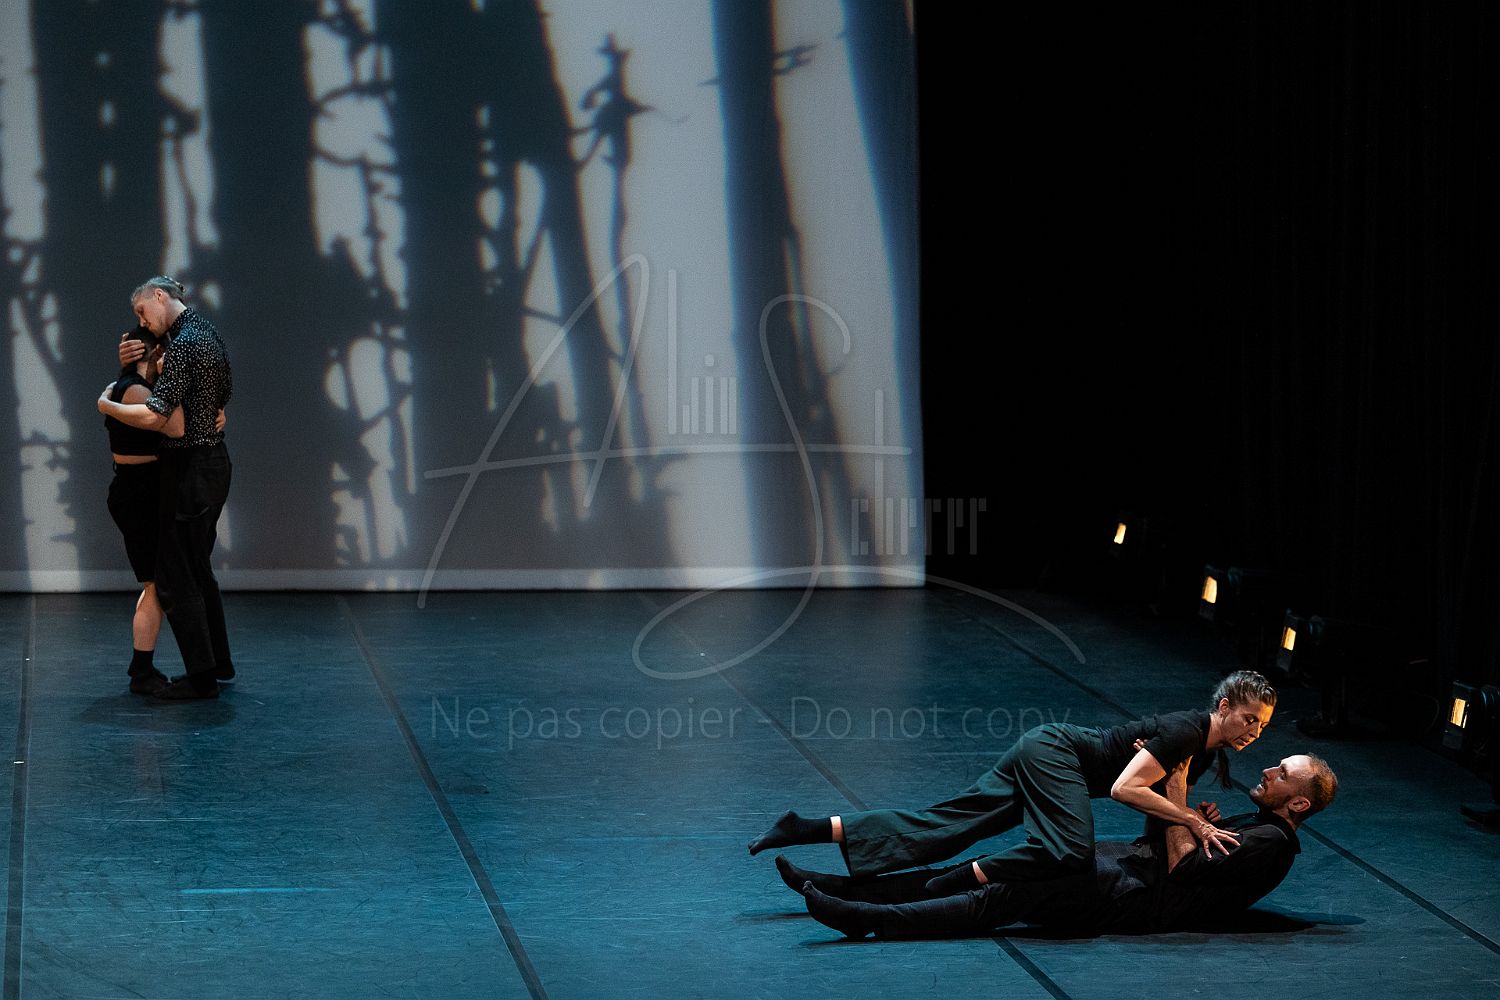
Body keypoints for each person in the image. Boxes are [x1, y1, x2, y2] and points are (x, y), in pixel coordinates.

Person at [748, 671, 1277, 895]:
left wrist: (1184, 815)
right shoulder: (1187, 732)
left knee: (947, 825)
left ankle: (808, 832)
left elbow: (1150, 813)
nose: (1253, 732)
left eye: (1262, 727)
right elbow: (1122, 790)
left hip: (1051, 758)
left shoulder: (1199, 753)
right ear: (1223, 706)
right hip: (1058, 756)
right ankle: (958, 881)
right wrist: (1189, 818)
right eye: (1248, 719)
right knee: (1071, 851)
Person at [789, 752, 1338, 939]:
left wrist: (1177, 791)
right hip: (1120, 868)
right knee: (987, 867)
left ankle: (868, 919)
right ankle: (853, 889)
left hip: (1126, 896)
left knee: (1000, 897)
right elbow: (1174, 847)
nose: (1269, 770)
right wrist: (1185, 819)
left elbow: (1183, 871)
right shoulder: (1257, 823)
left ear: (1299, 803)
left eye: (1283, 773)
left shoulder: (1272, 843)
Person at [98, 276, 234, 701]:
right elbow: (223, 392)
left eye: (142, 311)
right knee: (197, 571)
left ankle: (202, 678)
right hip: (212, 464)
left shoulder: (183, 344)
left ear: (159, 296)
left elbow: (163, 420)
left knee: (175, 578)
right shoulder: (206, 332)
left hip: (193, 470)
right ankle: (218, 665)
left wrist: (107, 405)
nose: (142, 321)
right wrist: (211, 412)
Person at [104, 325, 184, 695]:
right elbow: (175, 427)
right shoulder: (136, 390)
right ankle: (140, 670)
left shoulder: (123, 386)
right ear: (154, 354)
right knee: (155, 584)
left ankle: (142, 666)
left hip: (138, 490)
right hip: (139, 493)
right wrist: (170, 378)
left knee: (155, 584)